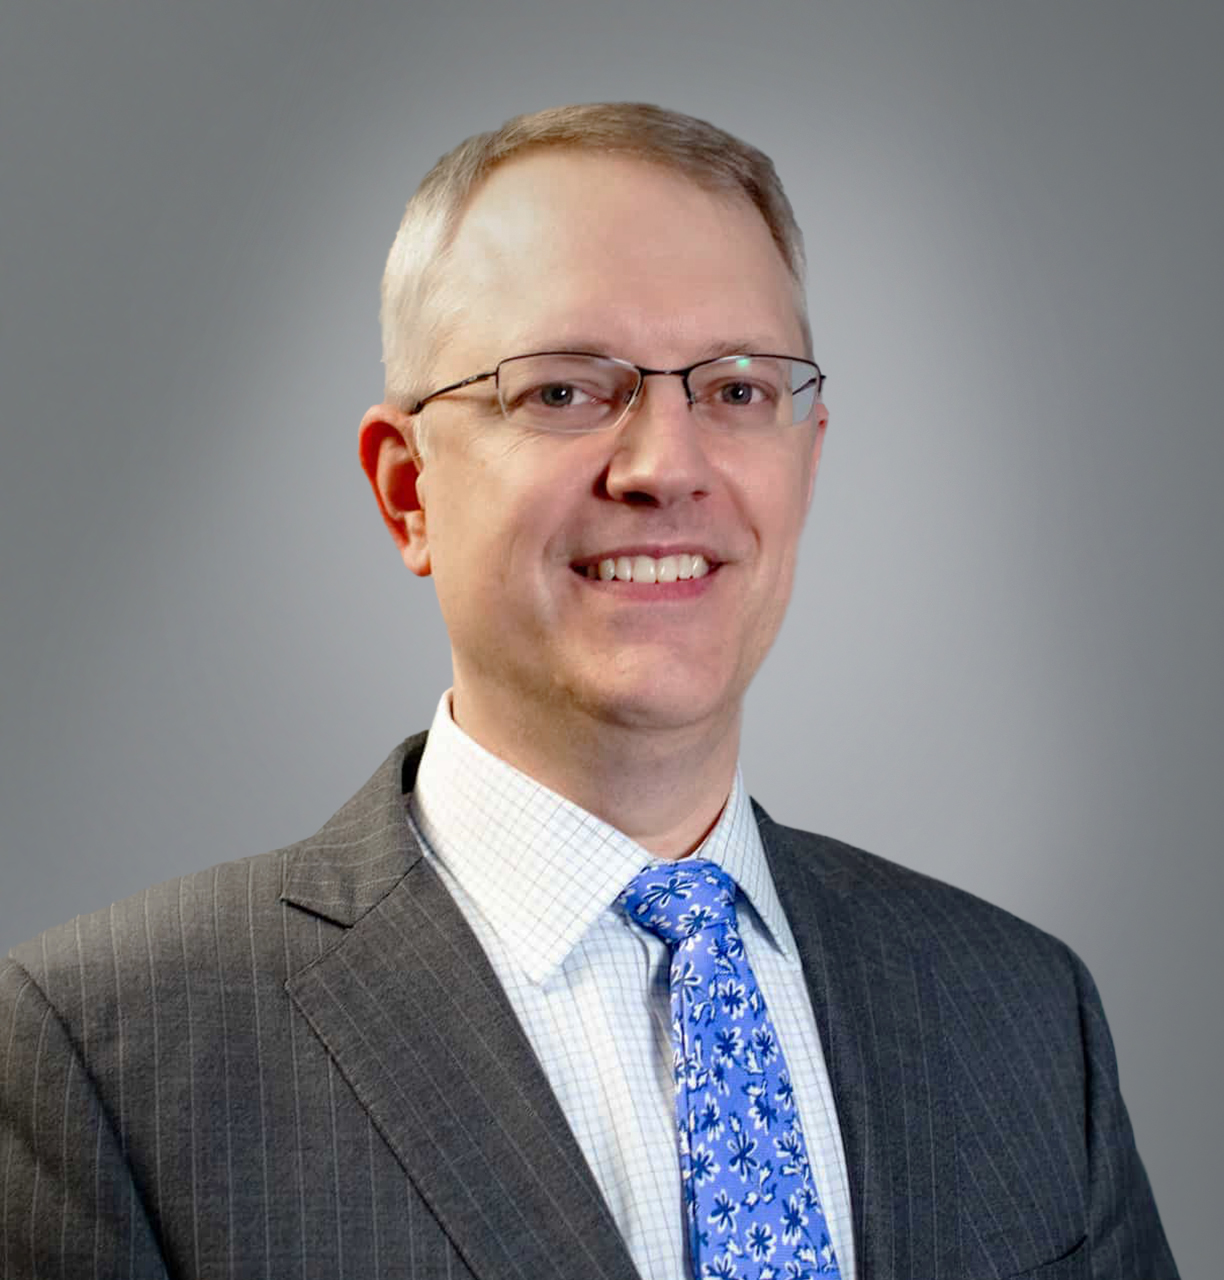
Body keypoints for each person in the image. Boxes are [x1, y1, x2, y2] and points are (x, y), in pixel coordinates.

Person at [0, 103, 1176, 1280]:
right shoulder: (106, 1055)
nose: (666, 466)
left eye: (737, 390)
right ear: (408, 490)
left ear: (808, 461)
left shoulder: (1026, 1010)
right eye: (563, 390)